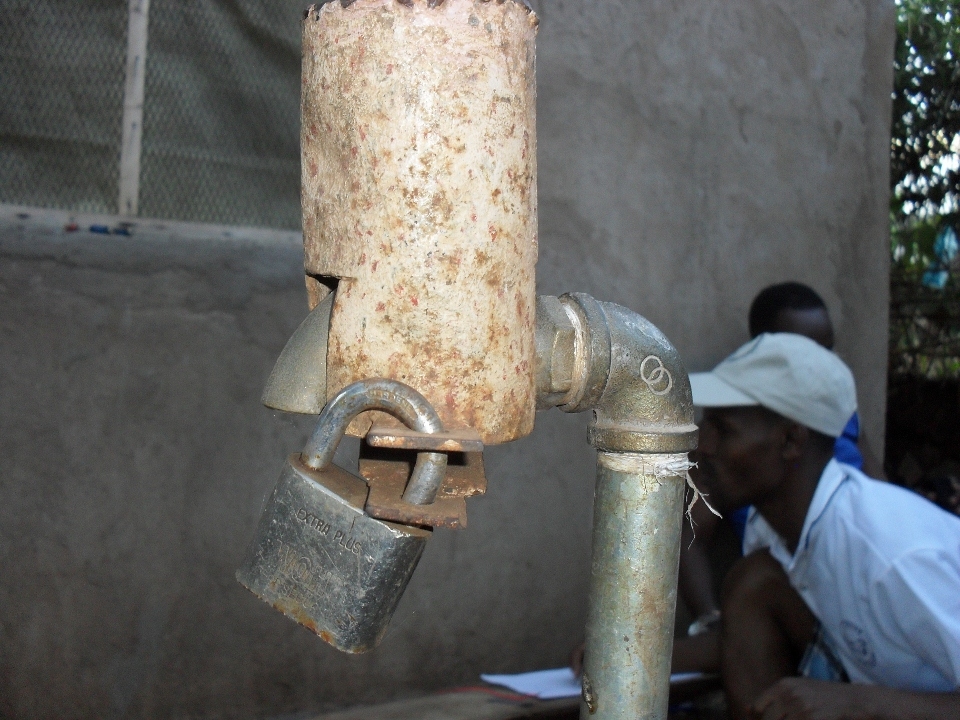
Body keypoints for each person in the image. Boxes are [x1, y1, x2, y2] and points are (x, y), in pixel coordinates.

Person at [689, 333, 960, 719]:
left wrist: (858, 702)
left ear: (790, 441)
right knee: (753, 582)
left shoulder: (892, 555)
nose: (703, 444)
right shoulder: (775, 528)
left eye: (723, 429)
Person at [677, 282, 883, 635]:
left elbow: (878, 489)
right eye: (804, 348)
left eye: (827, 349)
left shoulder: (838, 410)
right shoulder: (742, 438)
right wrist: (710, 618)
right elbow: (690, 534)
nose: (821, 361)